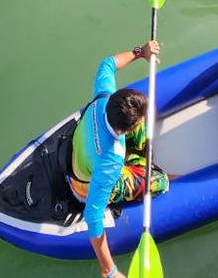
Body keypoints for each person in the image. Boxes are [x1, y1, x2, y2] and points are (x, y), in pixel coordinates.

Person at [68, 41, 169, 278]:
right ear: (125, 129)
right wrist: (109, 270)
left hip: (88, 150)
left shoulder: (103, 99)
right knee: (160, 181)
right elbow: (93, 216)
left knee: (146, 124)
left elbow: (108, 64)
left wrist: (140, 52)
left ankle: (140, 159)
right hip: (85, 184)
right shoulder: (111, 161)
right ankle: (148, 171)